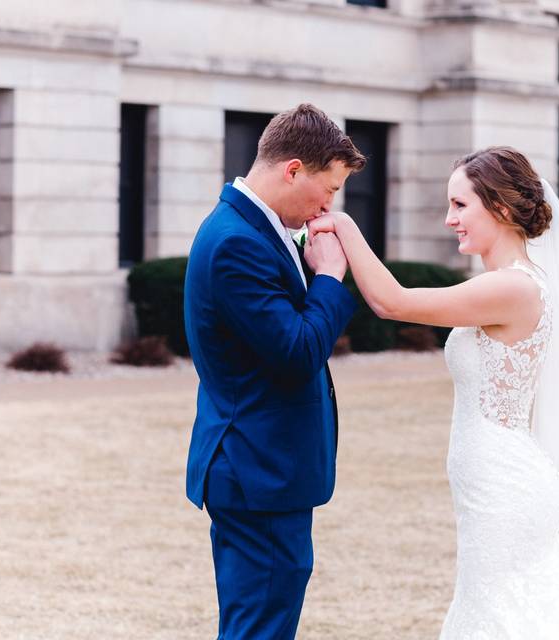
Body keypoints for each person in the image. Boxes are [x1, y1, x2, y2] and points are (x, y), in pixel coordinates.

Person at [307, 146, 559, 638]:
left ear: (498, 206)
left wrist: (344, 227)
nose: (449, 219)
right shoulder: (503, 283)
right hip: (490, 487)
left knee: (501, 618)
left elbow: (393, 302)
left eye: (459, 205)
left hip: (505, 489)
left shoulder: (515, 289)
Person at [183, 103, 365, 639]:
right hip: (255, 470)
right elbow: (296, 351)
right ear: (293, 170)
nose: (329, 203)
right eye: (328, 188)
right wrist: (330, 277)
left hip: (263, 469)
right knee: (258, 627)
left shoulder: (250, 229)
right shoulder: (237, 242)